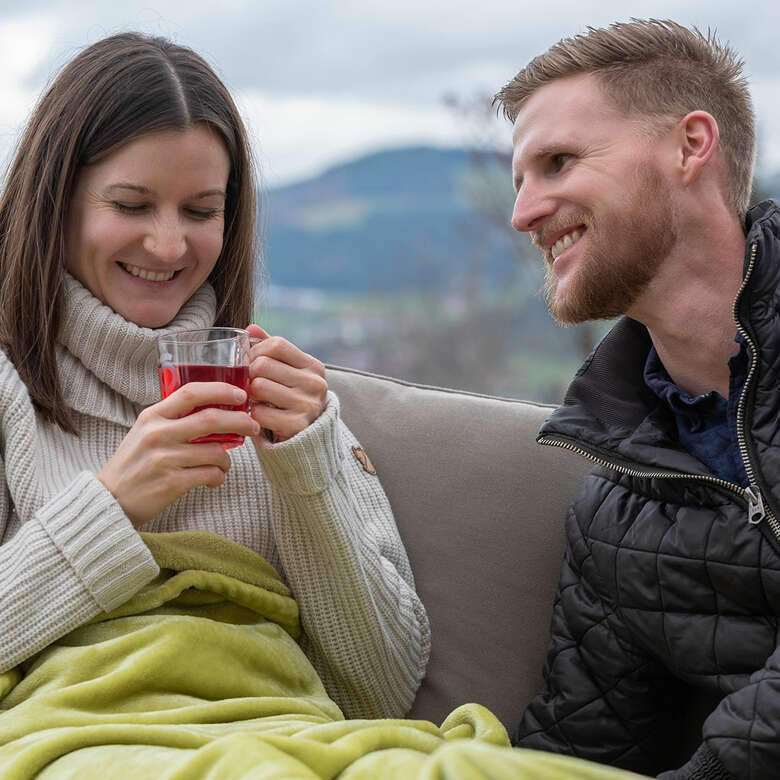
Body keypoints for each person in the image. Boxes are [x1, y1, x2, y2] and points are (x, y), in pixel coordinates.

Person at [0, 31, 430, 721]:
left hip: (287, 741)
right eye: (132, 205)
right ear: (58, 203)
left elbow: (383, 688)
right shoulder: (9, 391)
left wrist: (308, 470)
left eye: (201, 211)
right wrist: (112, 507)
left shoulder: (286, 405)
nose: (169, 244)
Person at [493, 18, 780, 780]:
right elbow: (577, 749)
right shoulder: (614, 508)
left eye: (558, 163)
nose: (523, 213)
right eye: (519, 181)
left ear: (691, 146)